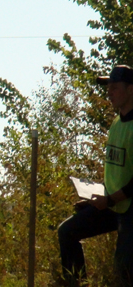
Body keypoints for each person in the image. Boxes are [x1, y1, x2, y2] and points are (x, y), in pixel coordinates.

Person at [58, 65, 133, 286]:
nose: (109, 92)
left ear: (131, 90)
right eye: (107, 87)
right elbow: (118, 170)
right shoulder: (116, 123)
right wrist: (96, 200)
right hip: (112, 204)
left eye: (115, 87)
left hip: (129, 210)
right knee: (67, 232)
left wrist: (109, 200)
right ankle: (77, 283)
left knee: (123, 272)